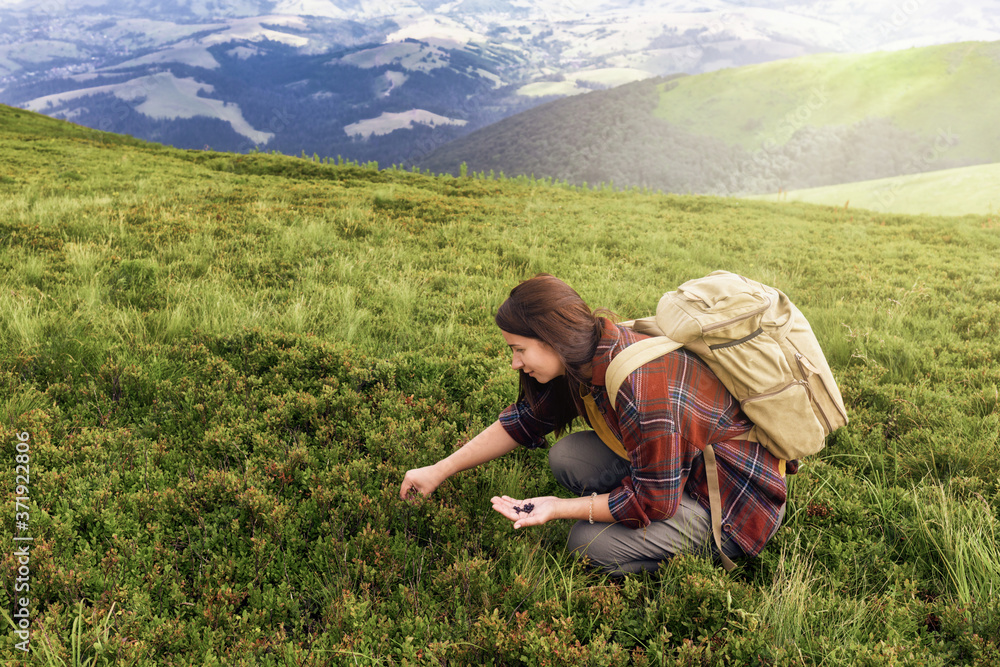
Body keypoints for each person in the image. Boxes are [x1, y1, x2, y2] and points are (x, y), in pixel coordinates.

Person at [399, 274, 792, 575]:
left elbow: (653, 502)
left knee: (587, 544)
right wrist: (439, 470)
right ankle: (644, 520)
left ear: (551, 339)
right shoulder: (586, 355)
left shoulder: (640, 390)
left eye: (519, 349)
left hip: (731, 506)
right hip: (682, 473)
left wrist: (558, 507)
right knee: (567, 456)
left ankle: (695, 552)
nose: (515, 363)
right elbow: (524, 422)